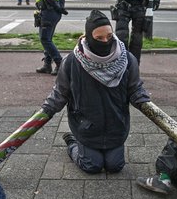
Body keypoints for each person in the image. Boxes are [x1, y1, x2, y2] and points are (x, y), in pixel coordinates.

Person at [41, 10, 150, 174]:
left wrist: (143, 101)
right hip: (87, 127)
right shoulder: (72, 61)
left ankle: (95, 149)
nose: (105, 41)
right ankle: (72, 143)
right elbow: (60, 93)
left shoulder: (127, 59)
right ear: (89, 38)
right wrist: (46, 111)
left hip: (116, 126)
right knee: (92, 165)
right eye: (99, 38)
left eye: (109, 36)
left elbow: (135, 89)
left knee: (115, 166)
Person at [31, 0, 67, 75]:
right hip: (53, 13)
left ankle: (59, 63)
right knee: (48, 39)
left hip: (48, 12)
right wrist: (60, 8)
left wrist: (56, 7)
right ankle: (47, 65)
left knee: (44, 39)